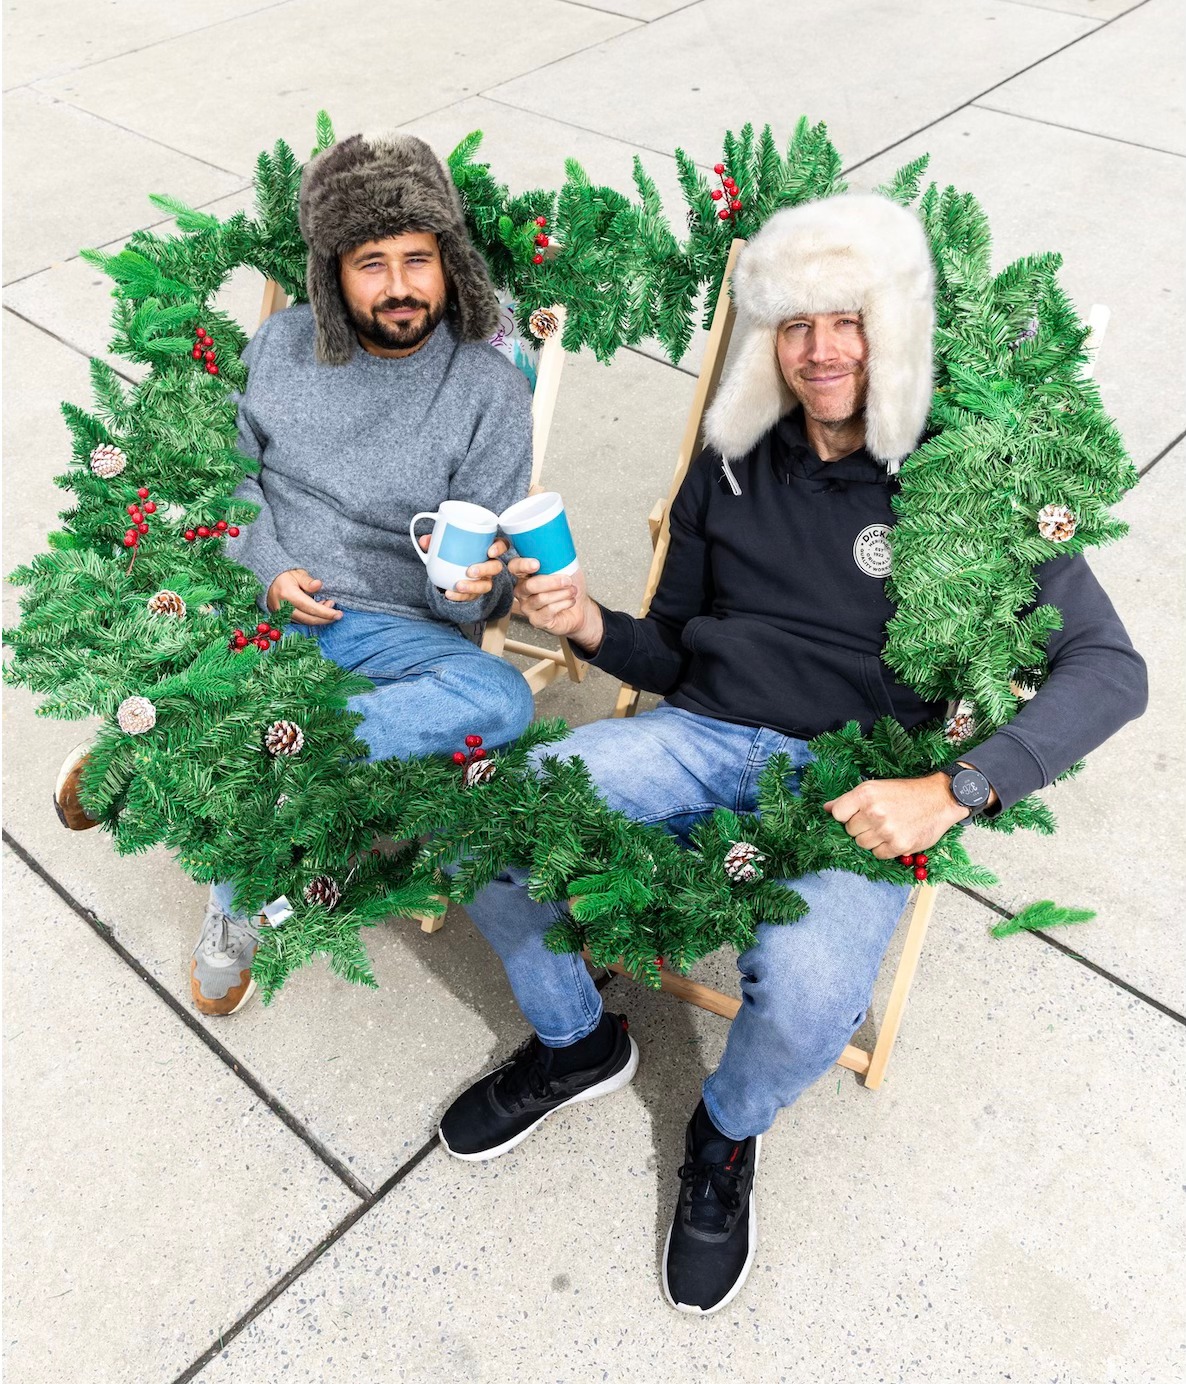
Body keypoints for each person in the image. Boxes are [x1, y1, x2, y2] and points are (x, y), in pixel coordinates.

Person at [436, 194, 1148, 1315]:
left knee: (812, 988)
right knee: (489, 819)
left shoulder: (962, 484)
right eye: (797, 323)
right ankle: (579, 1043)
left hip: (856, 777)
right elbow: (669, 652)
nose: (822, 351)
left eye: (850, 319)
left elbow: (1112, 669)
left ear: (894, 328)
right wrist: (585, 628)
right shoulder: (731, 461)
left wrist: (954, 789)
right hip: (698, 733)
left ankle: (722, 1135)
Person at [54, 133, 536, 1017]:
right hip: (262, 606)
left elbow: (488, 566)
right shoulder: (278, 349)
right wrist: (269, 567)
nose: (399, 286)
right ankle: (246, 855)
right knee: (276, 708)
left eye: (418, 260)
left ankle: (213, 744)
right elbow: (223, 477)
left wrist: (476, 587)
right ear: (332, 273)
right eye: (371, 263)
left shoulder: (489, 390)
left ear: (449, 263)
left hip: (399, 627)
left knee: (505, 701)